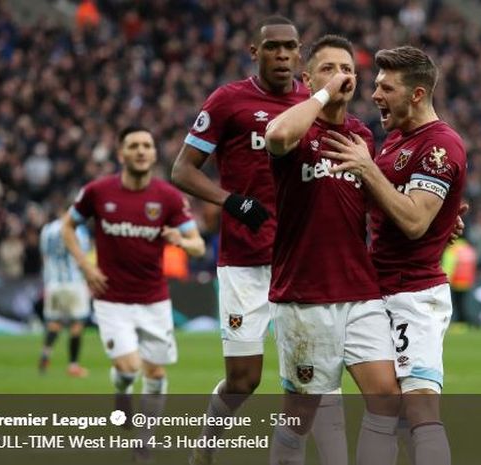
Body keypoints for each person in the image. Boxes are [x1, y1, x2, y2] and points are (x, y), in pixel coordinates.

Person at [172, 17, 347, 465]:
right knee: (244, 380)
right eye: (273, 48)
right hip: (244, 261)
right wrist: (230, 202)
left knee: (309, 383)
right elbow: (183, 170)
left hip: (300, 262)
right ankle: (207, 445)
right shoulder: (229, 101)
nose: (283, 55)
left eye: (291, 47)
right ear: (255, 51)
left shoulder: (312, 104)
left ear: (301, 53)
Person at [322, 45, 468, 465]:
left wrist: (367, 170)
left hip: (414, 295)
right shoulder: (396, 141)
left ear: (417, 94)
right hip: (375, 288)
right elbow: (399, 206)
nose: (375, 95)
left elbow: (415, 222)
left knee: (420, 407)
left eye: (386, 87)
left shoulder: (440, 146)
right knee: (386, 409)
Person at [265, 34, 401, 465]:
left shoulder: (362, 136)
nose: (342, 75)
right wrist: (321, 96)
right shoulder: (297, 127)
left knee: (385, 396)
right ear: (307, 79)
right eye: (329, 68)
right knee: (299, 416)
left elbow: (376, 206)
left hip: (359, 290)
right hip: (305, 292)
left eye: (348, 70)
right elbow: (277, 136)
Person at [62, 125, 205, 419]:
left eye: (146, 146)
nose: (141, 151)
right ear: (120, 154)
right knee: (129, 367)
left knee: (154, 371)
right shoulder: (97, 192)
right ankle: (122, 388)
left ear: (154, 154)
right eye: (133, 146)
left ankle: (145, 438)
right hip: (112, 299)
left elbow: (199, 246)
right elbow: (67, 226)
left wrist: (182, 241)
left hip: (154, 299)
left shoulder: (168, 197)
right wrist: (86, 265)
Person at [38, 212, 92, 378]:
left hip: (54, 283)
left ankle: (46, 354)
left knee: (54, 322)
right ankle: (73, 366)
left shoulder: (47, 230)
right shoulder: (79, 230)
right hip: (74, 282)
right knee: (77, 323)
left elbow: (44, 256)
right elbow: (82, 255)